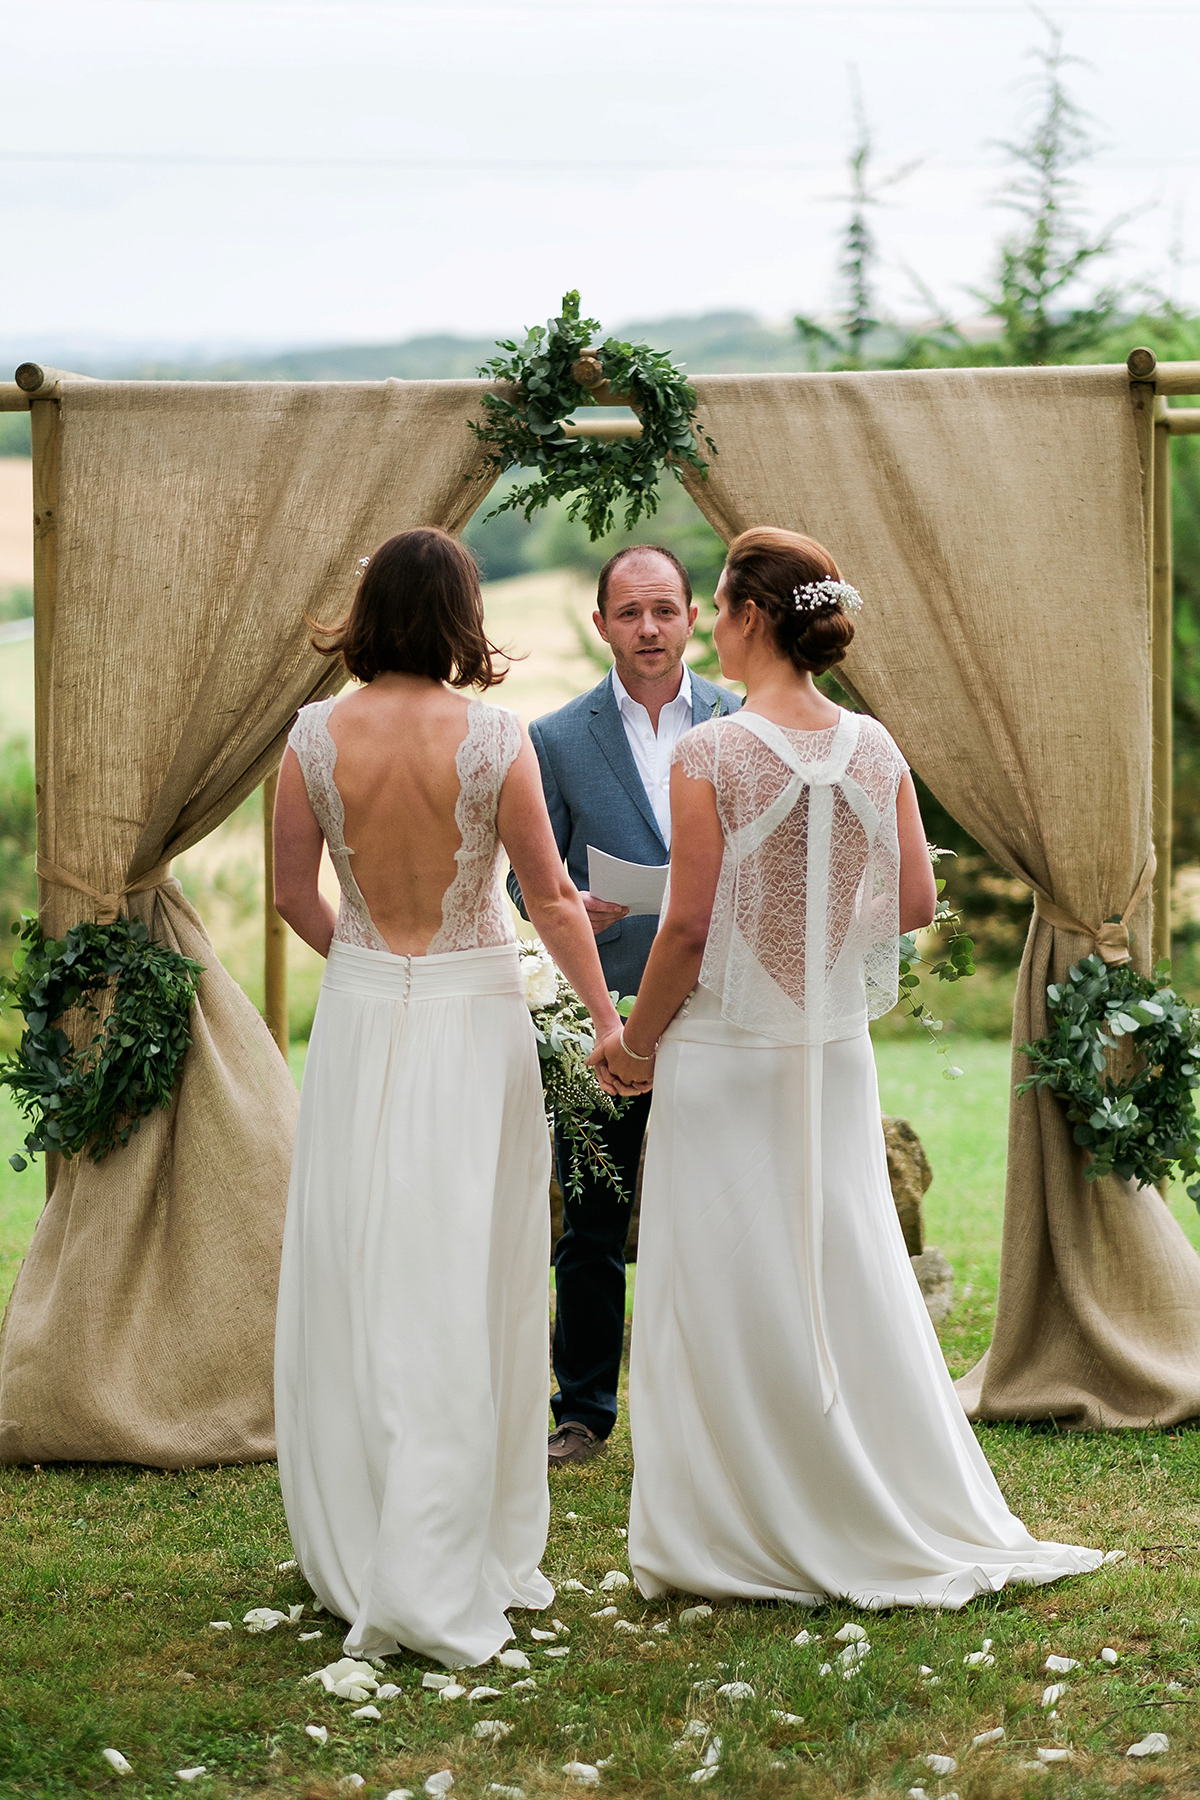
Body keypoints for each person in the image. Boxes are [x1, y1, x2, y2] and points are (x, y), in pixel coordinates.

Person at [597, 526, 1102, 1609]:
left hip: (729, 1056)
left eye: (718, 608)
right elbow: (916, 901)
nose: (709, 628)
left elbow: (684, 931)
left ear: (747, 618)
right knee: (842, 1264)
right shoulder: (875, 746)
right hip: (829, 1053)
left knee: (727, 1281)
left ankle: (738, 1521)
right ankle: (862, 1488)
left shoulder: (710, 756)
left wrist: (634, 1047)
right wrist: (813, 938)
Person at [271, 527, 635, 1669]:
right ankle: (452, 1539)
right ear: (461, 617)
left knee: (365, 1263)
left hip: (366, 1012)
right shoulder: (494, 737)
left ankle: (370, 1532)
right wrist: (611, 1026)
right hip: (477, 1020)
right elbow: (557, 902)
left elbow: (292, 895)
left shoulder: (312, 739)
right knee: (472, 1266)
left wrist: (373, 967)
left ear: (368, 614)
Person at [507, 544, 739, 1466]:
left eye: (665, 611)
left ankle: (719, 1402)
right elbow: (527, 884)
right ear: (600, 624)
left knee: (723, 1207)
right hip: (605, 1012)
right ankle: (585, 1412)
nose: (649, 629)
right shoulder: (555, 740)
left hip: (721, 1005)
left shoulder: (741, 719)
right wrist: (568, 898)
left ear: (693, 619)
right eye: (629, 613)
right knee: (594, 1217)